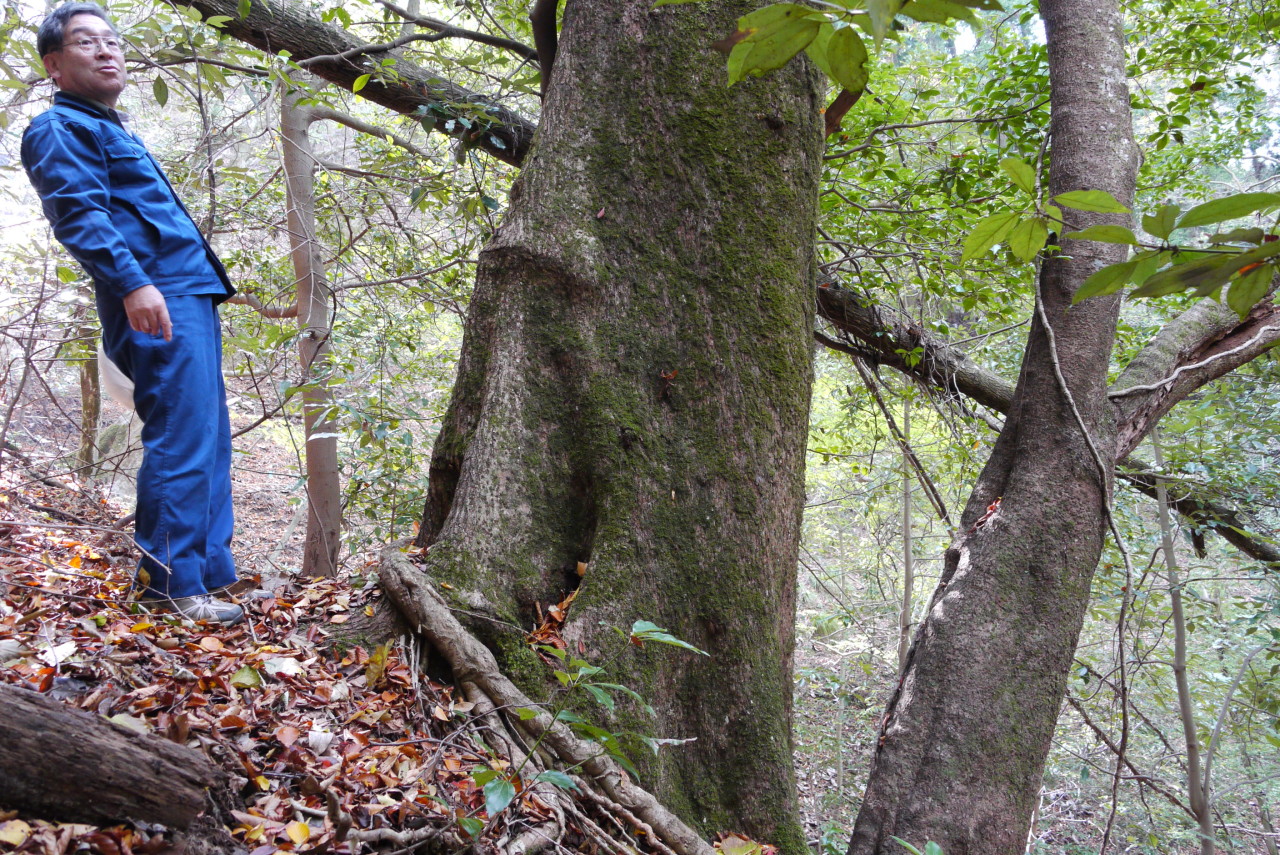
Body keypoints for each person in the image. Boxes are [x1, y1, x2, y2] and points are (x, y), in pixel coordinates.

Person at [23, 2, 244, 625]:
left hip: (185, 291)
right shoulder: (59, 129)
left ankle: (203, 576)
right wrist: (133, 284)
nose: (106, 50)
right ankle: (167, 589)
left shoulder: (111, 127)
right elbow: (80, 214)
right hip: (156, 294)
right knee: (180, 437)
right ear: (55, 65)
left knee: (206, 436)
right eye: (85, 42)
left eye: (112, 40)